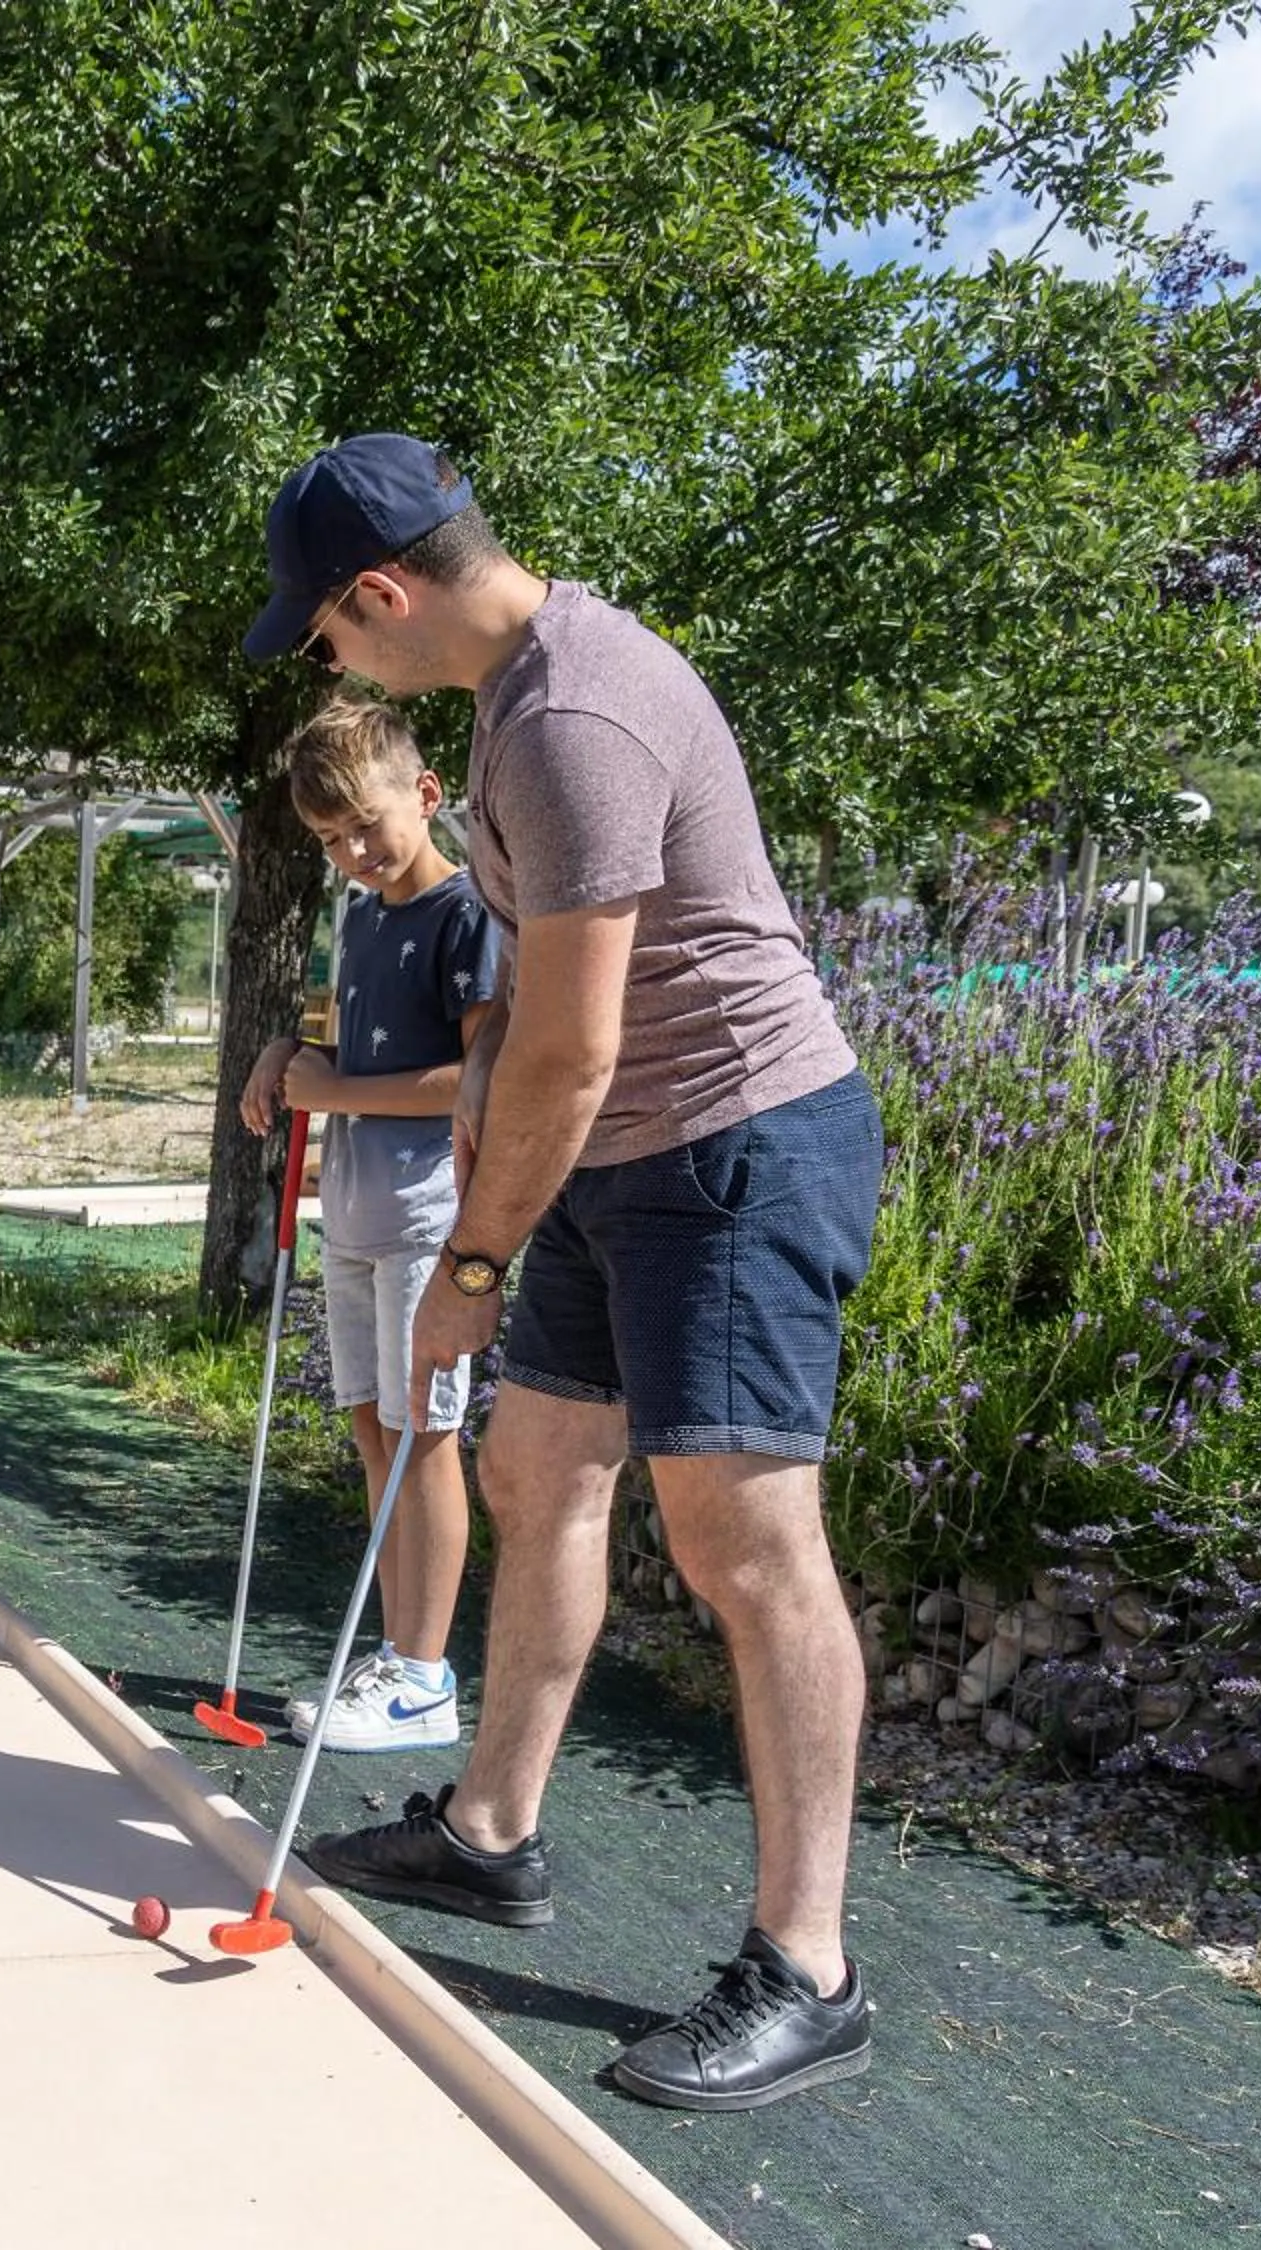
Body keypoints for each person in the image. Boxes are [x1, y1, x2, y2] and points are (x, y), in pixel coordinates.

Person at [243, 433, 884, 2112]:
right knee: (538, 1468)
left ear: (379, 594)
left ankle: (807, 1969)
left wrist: (472, 1256)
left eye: (323, 634)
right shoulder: (510, 703)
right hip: (618, 1158)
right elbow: (527, 1023)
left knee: (744, 1547)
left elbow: (576, 1049)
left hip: (730, 1149)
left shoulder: (576, 720)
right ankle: (491, 1833)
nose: (329, 661)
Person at [237, 693, 498, 1752]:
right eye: (329, 840)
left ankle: (425, 1673)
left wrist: (333, 1092)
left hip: (429, 1217)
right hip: (352, 1213)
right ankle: (394, 1658)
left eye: (366, 826)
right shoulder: (365, 913)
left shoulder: (466, 913)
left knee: (426, 1439)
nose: (353, 852)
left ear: (426, 794)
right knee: (374, 1430)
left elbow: (472, 1082)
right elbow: (341, 1040)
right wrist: (279, 1060)